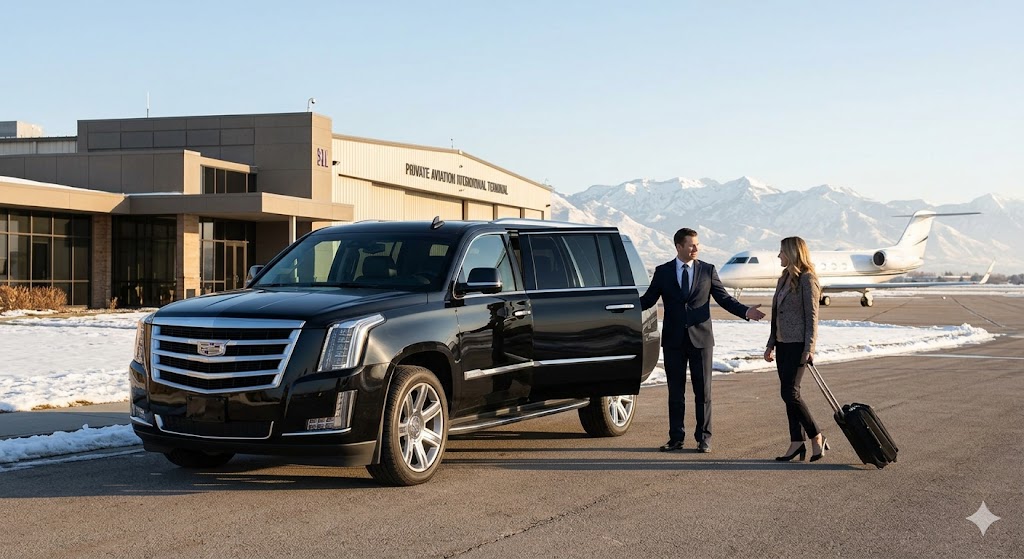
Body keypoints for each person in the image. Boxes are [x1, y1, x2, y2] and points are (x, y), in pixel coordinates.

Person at [641, 228, 765, 453]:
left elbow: (724, 299)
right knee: (675, 393)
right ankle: (676, 438)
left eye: (697, 244)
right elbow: (648, 300)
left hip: (702, 341)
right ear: (679, 247)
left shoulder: (708, 270)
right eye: (691, 245)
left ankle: (704, 438)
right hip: (673, 341)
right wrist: (620, 304)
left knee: (704, 392)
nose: (696, 249)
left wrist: (746, 311)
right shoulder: (663, 272)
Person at [763, 236, 828, 462]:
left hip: (798, 345)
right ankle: (796, 443)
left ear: (792, 253)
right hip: (782, 344)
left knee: (789, 393)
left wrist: (810, 347)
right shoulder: (784, 278)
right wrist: (771, 343)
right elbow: (776, 315)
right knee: (790, 395)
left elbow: (812, 317)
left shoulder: (808, 279)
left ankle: (816, 435)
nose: (778, 255)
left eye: (781, 251)